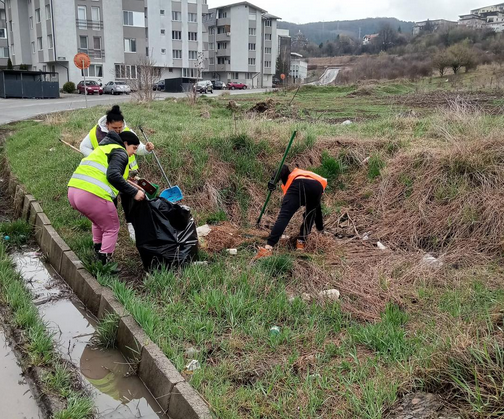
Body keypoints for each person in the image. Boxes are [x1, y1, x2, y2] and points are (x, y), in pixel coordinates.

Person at [68, 130, 146, 266]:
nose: (134, 152)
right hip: (92, 194)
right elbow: (113, 176)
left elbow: (105, 171)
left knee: (99, 222)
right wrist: (134, 192)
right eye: (134, 148)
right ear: (125, 143)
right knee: (112, 227)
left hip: (74, 191)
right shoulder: (120, 151)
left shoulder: (103, 148)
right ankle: (105, 264)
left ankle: (98, 253)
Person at [79, 105, 153, 240]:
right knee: (109, 203)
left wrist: (146, 149)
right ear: (107, 124)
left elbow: (137, 148)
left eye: (120, 128)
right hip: (107, 176)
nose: (118, 131)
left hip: (128, 174)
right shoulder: (95, 133)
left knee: (129, 200)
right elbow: (83, 147)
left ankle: (132, 228)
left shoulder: (126, 131)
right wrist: (101, 159)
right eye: (115, 128)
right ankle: (107, 234)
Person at [254, 165, 327, 260]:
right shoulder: (311, 177)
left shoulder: (292, 175)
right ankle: (301, 243)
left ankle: (268, 248)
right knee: (310, 215)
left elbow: (283, 167)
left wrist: (273, 181)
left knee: (284, 216)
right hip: (317, 187)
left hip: (299, 184)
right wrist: (320, 228)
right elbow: (317, 210)